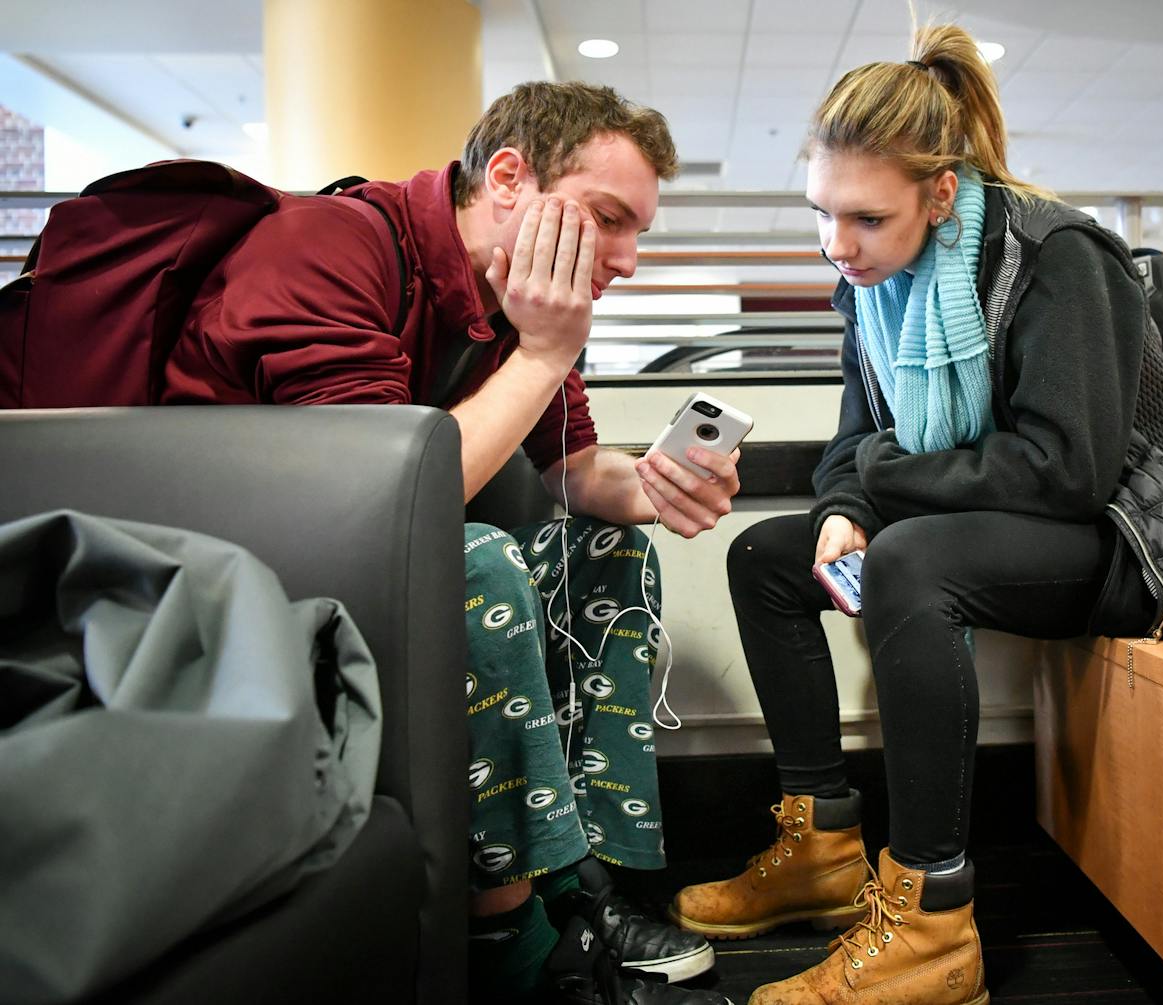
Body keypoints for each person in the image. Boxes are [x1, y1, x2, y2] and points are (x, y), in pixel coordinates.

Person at [669, 21, 1163, 1005]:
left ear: (939, 194)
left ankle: (933, 924)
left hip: (1144, 541)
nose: (836, 243)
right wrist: (840, 509)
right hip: (1031, 514)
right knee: (764, 557)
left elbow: (1063, 471)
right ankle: (819, 843)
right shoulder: (870, 286)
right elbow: (855, 441)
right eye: (821, 213)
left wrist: (878, 485)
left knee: (910, 563)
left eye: (863, 218)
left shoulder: (1056, 255)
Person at [161, 82, 741, 1005]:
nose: (627, 259)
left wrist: (657, 484)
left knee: (610, 551)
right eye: (608, 219)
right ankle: (521, 940)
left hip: (372, 549)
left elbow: (573, 467)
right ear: (508, 177)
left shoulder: (519, 295)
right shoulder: (328, 247)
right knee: (478, 559)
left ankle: (591, 882)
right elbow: (385, 504)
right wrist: (544, 352)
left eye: (638, 232)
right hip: (232, 569)